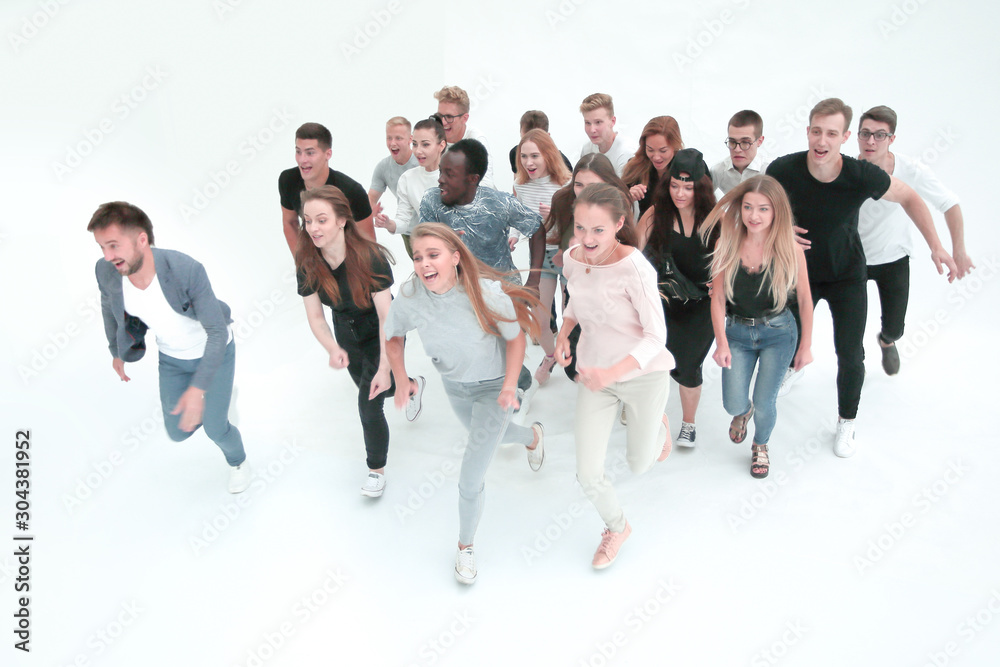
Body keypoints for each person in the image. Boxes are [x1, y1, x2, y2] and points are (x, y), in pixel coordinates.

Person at [766, 98, 958, 457]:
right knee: (786, 340)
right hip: (800, 274)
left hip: (846, 276)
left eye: (831, 134)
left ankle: (847, 421)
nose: (822, 140)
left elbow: (910, 197)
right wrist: (778, 229)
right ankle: (793, 368)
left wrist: (937, 246)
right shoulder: (783, 168)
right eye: (817, 131)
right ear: (807, 132)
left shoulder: (860, 174)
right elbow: (753, 205)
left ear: (844, 137)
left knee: (850, 353)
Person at [385, 222, 545, 585]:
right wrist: (401, 379)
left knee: (471, 477)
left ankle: (465, 547)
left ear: (455, 257)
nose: (424, 264)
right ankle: (532, 437)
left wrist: (509, 386)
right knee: (495, 438)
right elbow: (393, 337)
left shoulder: (484, 293)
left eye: (433, 255)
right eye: (417, 257)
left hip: (493, 389)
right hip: (454, 386)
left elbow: (516, 339)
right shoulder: (410, 295)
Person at [88, 202, 251, 493]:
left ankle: (238, 462)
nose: (107, 256)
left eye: (113, 245)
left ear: (141, 239)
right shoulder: (106, 271)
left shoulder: (185, 269)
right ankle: (217, 403)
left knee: (216, 428)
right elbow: (107, 305)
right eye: (102, 247)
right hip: (173, 359)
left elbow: (216, 332)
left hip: (213, 351)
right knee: (177, 432)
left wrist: (197, 391)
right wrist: (116, 351)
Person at [555, 183, 673, 570]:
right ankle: (617, 528)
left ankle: (659, 426)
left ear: (620, 224)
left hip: (642, 375)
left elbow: (656, 337)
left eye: (598, 230)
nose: (587, 239)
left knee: (640, 464)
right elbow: (577, 300)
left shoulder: (635, 269)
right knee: (588, 472)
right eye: (580, 228)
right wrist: (563, 333)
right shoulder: (573, 258)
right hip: (595, 376)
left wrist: (613, 373)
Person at [296, 186, 425, 498]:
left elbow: (387, 318)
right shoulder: (308, 264)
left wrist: (384, 366)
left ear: (342, 220)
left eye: (322, 220)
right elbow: (315, 317)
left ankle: (375, 471)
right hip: (346, 333)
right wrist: (332, 348)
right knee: (383, 391)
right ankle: (411, 385)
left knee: (368, 404)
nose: (313, 228)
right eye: (308, 221)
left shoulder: (370, 257)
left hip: (382, 330)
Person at [705, 176, 814, 478]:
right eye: (748, 207)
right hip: (737, 333)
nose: (754, 216)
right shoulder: (726, 243)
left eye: (763, 209)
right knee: (732, 403)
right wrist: (721, 343)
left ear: (776, 211)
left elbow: (805, 299)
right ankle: (743, 412)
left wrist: (805, 347)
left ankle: (761, 444)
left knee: (765, 402)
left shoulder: (790, 249)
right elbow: (717, 299)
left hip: (778, 333)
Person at [856, 105, 974, 375]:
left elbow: (950, 203)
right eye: (865, 133)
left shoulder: (911, 170)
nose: (871, 141)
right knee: (851, 328)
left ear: (892, 139)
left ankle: (887, 341)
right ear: (857, 135)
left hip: (894, 258)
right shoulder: (846, 169)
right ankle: (854, 364)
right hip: (854, 259)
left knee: (895, 327)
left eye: (880, 135)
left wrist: (957, 249)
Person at [637, 148, 718, 447]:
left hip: (702, 305)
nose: (680, 193)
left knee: (688, 366)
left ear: (701, 187)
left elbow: (730, 258)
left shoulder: (715, 219)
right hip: (664, 301)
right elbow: (633, 255)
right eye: (674, 185)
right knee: (653, 361)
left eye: (688, 187)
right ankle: (648, 416)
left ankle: (688, 424)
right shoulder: (655, 214)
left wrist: (721, 284)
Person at [547, 153, 635, 381]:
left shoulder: (619, 204)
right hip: (579, 284)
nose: (584, 192)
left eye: (593, 185)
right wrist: (564, 253)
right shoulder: (562, 201)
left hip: (612, 287)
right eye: (579, 185)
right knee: (574, 363)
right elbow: (562, 235)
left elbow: (628, 246)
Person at [513, 129, 572, 384]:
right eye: (524, 156)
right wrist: (514, 234)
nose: (529, 162)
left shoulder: (567, 183)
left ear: (548, 154)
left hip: (568, 256)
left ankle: (577, 359)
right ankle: (549, 357)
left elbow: (580, 224)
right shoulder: (520, 185)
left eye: (535, 156)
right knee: (539, 319)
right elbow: (519, 215)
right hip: (541, 257)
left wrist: (555, 216)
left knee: (571, 318)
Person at [279, 122, 374, 253]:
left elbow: (369, 244)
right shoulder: (288, 180)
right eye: (298, 152)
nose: (302, 160)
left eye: (310, 153)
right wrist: (301, 261)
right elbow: (290, 223)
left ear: (328, 154)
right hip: (314, 255)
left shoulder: (352, 191)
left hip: (349, 257)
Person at [373, 119, 448, 257]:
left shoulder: (454, 175)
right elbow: (403, 220)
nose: (418, 151)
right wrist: (388, 223)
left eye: (425, 144)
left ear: (441, 145)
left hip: (457, 244)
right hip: (428, 246)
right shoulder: (407, 179)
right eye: (415, 144)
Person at [433, 85, 495, 189]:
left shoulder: (477, 140)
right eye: (440, 116)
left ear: (464, 118)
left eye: (449, 117)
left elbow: (486, 184)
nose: (443, 122)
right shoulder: (433, 139)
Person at [623, 116, 683, 217]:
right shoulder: (636, 167)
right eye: (650, 150)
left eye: (663, 151)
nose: (656, 157)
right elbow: (613, 205)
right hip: (645, 226)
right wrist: (627, 197)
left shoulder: (690, 167)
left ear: (675, 146)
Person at [710, 110, 770, 195]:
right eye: (732, 142)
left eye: (745, 142)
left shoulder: (769, 170)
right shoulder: (718, 171)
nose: (737, 149)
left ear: (759, 141)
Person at [366, 116, 418, 212]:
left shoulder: (422, 163)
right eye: (389, 138)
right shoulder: (383, 167)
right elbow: (371, 199)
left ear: (410, 139)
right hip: (404, 219)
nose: (393, 143)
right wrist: (372, 210)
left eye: (398, 138)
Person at [578, 93, 635, 177]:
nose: (592, 130)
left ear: (612, 121)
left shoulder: (626, 153)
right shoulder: (587, 149)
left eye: (598, 122)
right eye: (588, 123)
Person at [507, 110, 573, 174]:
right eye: (525, 140)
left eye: (536, 141)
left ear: (547, 137)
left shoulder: (562, 163)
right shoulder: (515, 153)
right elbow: (517, 179)